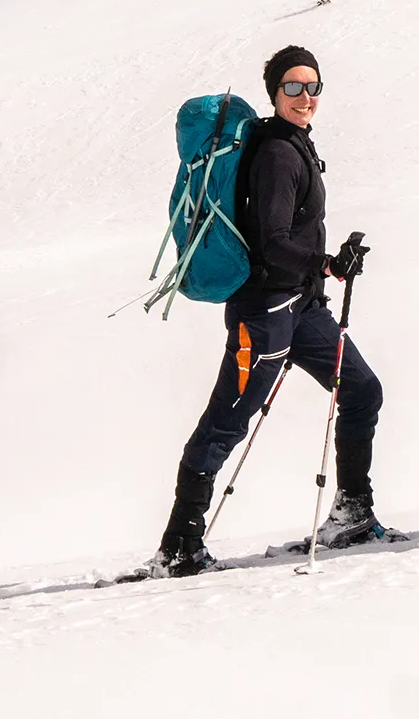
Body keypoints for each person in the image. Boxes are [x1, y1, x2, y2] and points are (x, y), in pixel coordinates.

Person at [151, 46, 386, 576]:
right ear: (275, 93)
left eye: (313, 87)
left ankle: (352, 511)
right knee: (228, 419)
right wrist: (328, 262)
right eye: (294, 88)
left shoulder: (292, 143)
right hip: (265, 310)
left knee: (361, 388)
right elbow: (272, 241)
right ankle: (180, 545)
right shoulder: (278, 155)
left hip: (301, 308)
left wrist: (322, 273)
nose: (306, 98)